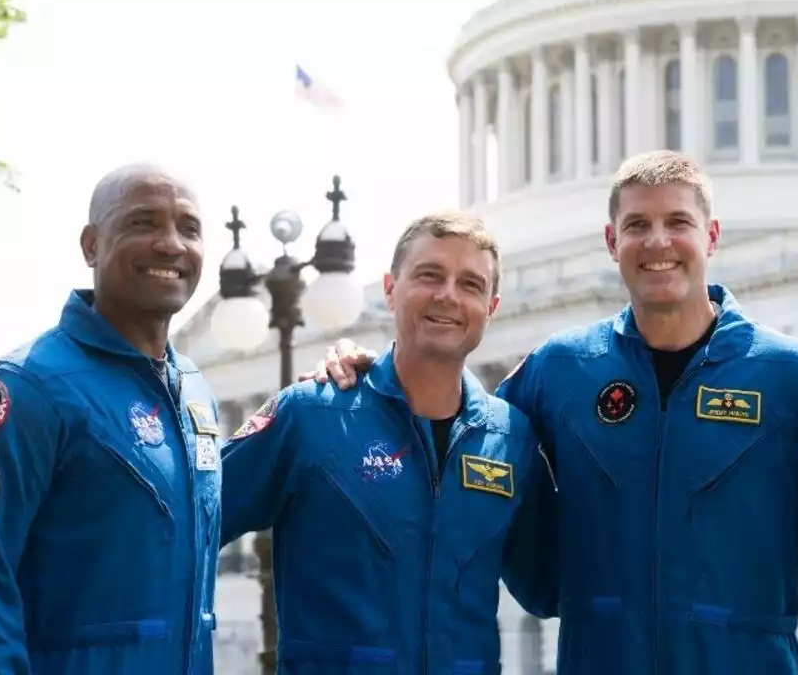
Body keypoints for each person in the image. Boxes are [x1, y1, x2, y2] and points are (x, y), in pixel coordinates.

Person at [314, 150, 798, 674]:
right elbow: (464, 440)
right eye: (639, 225)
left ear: (711, 236)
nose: (659, 243)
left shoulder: (785, 375)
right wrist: (364, 372)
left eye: (678, 223)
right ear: (611, 240)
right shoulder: (560, 370)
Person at [220, 211, 557, 673]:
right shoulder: (312, 414)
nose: (448, 296)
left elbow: (550, 587)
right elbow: (188, 526)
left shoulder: (511, 440)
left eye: (471, 284)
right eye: (429, 275)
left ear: (492, 307)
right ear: (389, 288)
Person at [0, 164, 223, 674]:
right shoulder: (26, 387)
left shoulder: (195, 389)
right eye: (144, 223)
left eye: (189, 228)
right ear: (91, 245)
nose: (171, 244)